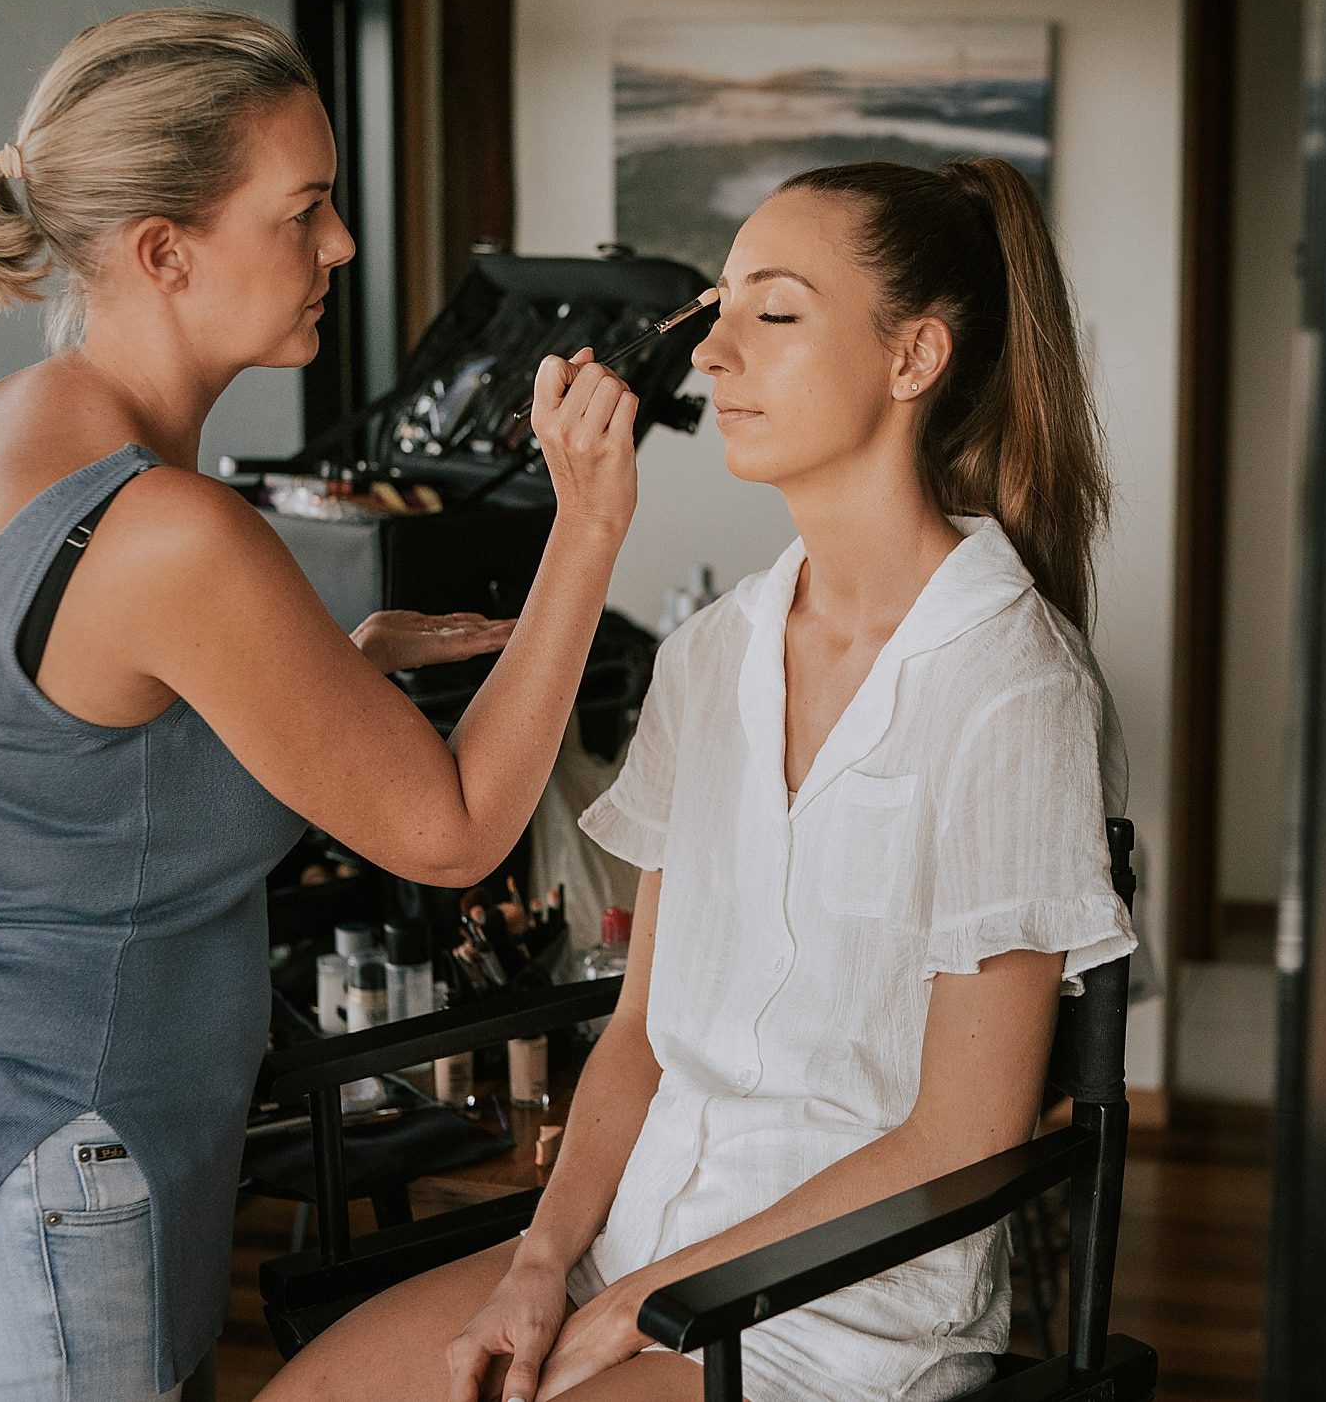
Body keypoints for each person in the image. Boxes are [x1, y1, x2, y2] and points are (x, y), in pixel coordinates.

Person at [0, 8, 642, 1402]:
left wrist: (339, 660)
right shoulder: (173, 528)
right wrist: (589, 527)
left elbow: (75, 766)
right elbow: (452, 831)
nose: (341, 246)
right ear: (162, 249)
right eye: (306, 208)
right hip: (47, 1176)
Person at [263, 157, 1137, 1402]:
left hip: (842, 1312)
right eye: (717, 309)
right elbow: (638, 1031)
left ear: (914, 359)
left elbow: (964, 1132)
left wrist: (634, 1308)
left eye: (772, 313)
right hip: (628, 1245)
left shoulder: (1013, 686)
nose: (712, 354)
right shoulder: (709, 654)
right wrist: (543, 1256)